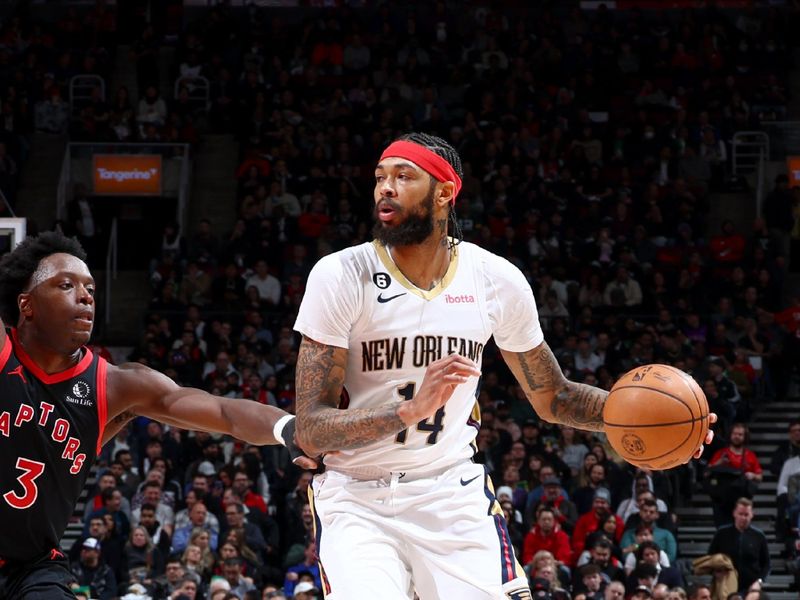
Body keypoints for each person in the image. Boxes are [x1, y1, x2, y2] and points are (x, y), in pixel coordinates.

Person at [292, 133, 716, 598]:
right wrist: (404, 413)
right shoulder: (340, 275)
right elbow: (312, 430)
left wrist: (658, 423)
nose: (384, 188)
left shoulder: (494, 279)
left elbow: (554, 396)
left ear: (444, 193)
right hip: (357, 497)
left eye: (402, 176)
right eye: (379, 178)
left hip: (449, 492)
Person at [0, 231, 313, 598]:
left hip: (34, 567)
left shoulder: (116, 385)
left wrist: (289, 428)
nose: (85, 296)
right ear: (27, 306)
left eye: (90, 288)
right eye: (65, 285)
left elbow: (224, 412)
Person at [707, 498, 770, 592]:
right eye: (740, 514)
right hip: (725, 587)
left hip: (751, 588)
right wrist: (716, 573)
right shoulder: (721, 533)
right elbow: (710, 558)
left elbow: (766, 565)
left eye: (746, 514)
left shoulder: (759, 536)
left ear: (752, 515)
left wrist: (759, 582)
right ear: (734, 513)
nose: (743, 518)